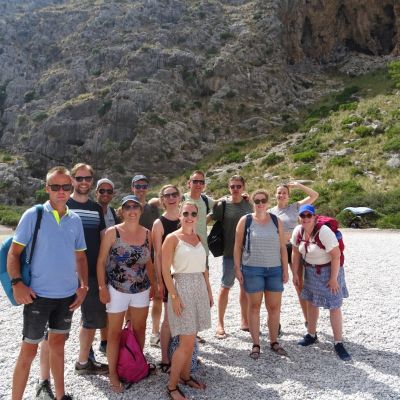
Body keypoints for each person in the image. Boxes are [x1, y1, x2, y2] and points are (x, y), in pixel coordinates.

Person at [7, 166, 88, 400]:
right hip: (38, 296)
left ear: (71, 188)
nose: (61, 191)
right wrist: (17, 283)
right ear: (47, 188)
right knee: (28, 351)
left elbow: (81, 257)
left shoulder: (75, 220)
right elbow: (14, 253)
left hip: (66, 297)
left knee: (58, 347)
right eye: (55, 186)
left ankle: (60, 396)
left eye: (66, 186)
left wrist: (83, 286)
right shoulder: (34, 215)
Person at [97, 195, 156, 393]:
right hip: (116, 289)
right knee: (114, 333)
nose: (132, 211)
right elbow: (101, 261)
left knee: (139, 329)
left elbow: (149, 262)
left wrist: (154, 284)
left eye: (135, 207)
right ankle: (113, 373)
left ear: (140, 210)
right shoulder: (112, 232)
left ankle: (135, 365)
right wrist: (102, 287)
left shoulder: (147, 233)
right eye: (127, 207)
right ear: (122, 211)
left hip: (142, 288)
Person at [162, 201, 212, 400]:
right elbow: (165, 271)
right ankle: (171, 386)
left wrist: (209, 292)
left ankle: (185, 376)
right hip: (182, 288)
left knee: (191, 338)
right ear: (180, 216)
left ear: (197, 217)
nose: (189, 216)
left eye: (193, 213)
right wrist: (174, 296)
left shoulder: (198, 237)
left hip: (199, 287)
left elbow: (204, 268)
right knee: (185, 341)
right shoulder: (172, 238)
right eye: (185, 213)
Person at [291, 204, 351, 361]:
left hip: (330, 270)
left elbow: (336, 255)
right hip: (311, 271)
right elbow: (295, 252)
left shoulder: (324, 232)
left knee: (334, 306)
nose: (305, 218)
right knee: (311, 302)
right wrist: (295, 273)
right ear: (299, 217)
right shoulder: (298, 231)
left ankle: (338, 342)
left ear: (314, 217)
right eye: (302, 215)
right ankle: (311, 335)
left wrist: (333, 278)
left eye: (308, 215)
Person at [234, 190, 289, 359]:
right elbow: (237, 246)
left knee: (274, 307)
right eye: (257, 201)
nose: (260, 203)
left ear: (267, 201)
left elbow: (282, 247)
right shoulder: (245, 221)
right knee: (254, 307)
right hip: (252, 270)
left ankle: (274, 341)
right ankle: (256, 344)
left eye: (263, 200)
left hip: (274, 270)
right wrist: (237, 269)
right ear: (253, 203)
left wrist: (285, 269)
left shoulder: (276, 221)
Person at [67, 163, 108, 375]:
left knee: (91, 320)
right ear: (72, 180)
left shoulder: (96, 209)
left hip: (91, 273)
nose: (84, 182)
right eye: (79, 178)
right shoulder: (63, 205)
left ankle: (83, 362)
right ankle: (46, 376)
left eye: (87, 178)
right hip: (64, 274)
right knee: (56, 324)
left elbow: (103, 240)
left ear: (92, 181)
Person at [269, 182, 319, 327]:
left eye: (284, 192)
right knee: (275, 287)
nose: (282, 195)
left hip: (294, 248)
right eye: (279, 192)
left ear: (289, 196)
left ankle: (308, 321)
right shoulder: (270, 212)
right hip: (277, 249)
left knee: (299, 284)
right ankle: (275, 323)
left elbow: (314, 195)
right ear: (275, 195)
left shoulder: (295, 207)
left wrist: (298, 185)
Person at [212, 175, 252, 338]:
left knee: (245, 287)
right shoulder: (223, 205)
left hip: (248, 254)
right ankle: (220, 323)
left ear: (243, 187)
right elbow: (210, 218)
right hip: (229, 253)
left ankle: (245, 320)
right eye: (232, 186)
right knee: (225, 286)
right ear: (228, 188)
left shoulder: (248, 204)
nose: (235, 189)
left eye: (238, 186)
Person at [151, 185, 181, 373]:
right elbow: (157, 254)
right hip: (169, 275)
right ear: (162, 199)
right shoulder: (159, 223)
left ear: (179, 196)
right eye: (167, 195)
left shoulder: (186, 217)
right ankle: (164, 357)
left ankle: (182, 353)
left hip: (185, 273)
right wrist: (159, 281)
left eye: (174, 194)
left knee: (184, 316)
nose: (171, 198)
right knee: (169, 318)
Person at [131, 174, 161, 347]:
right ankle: (130, 331)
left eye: (144, 186)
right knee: (131, 297)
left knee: (157, 295)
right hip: (131, 262)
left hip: (152, 258)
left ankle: (155, 332)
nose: (141, 189)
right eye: (138, 186)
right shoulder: (127, 207)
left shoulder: (153, 208)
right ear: (132, 188)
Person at [94, 178, 119, 356]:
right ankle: (88, 349)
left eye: (109, 191)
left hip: (109, 264)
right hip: (91, 263)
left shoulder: (113, 213)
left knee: (107, 303)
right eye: (102, 191)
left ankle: (105, 340)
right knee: (91, 306)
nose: (105, 194)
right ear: (96, 192)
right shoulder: (90, 210)